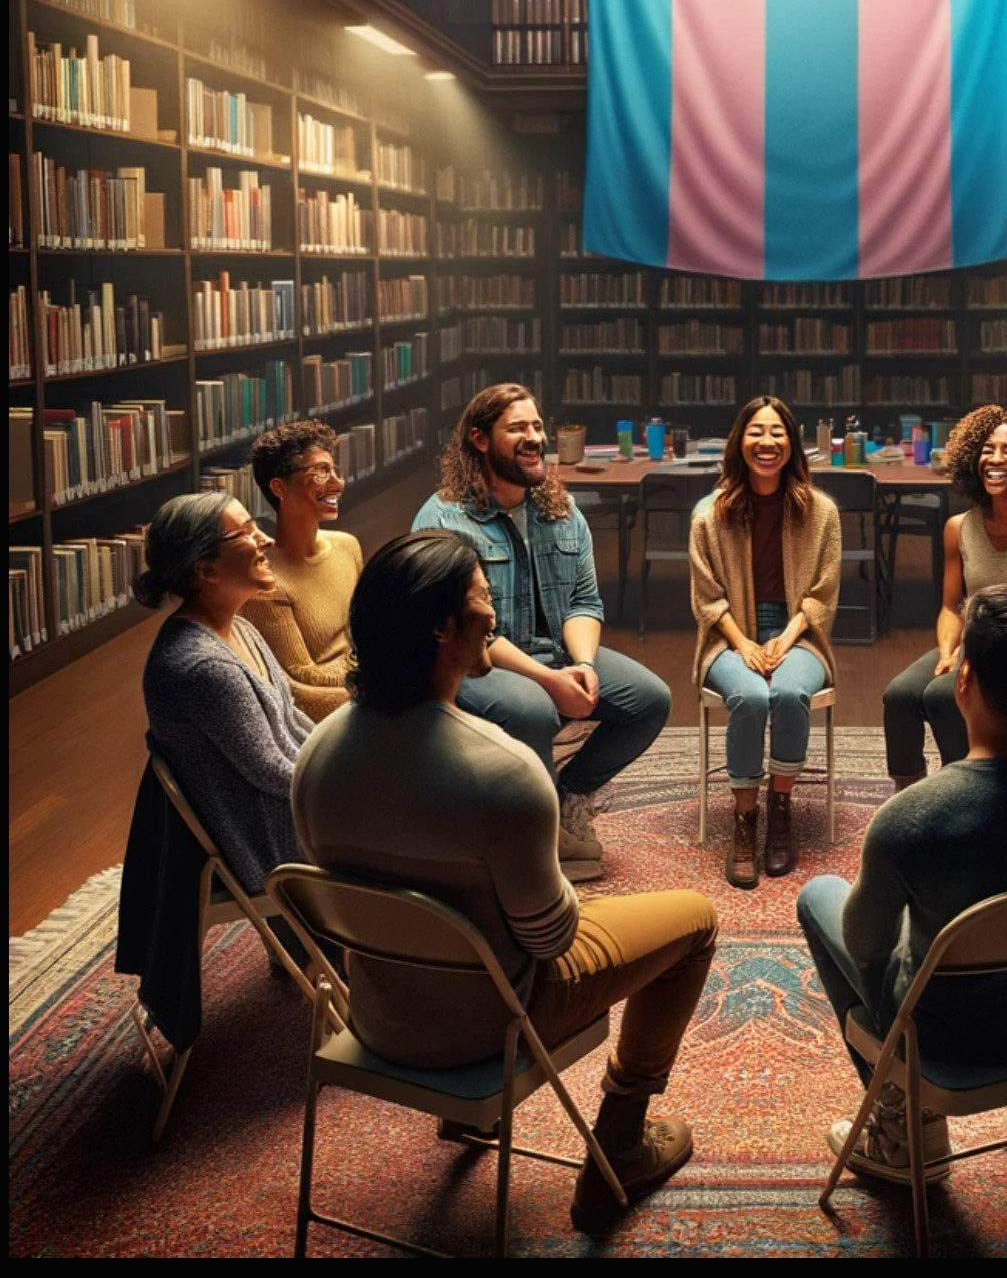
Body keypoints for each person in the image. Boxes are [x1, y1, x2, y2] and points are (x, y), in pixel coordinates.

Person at [292, 531, 717, 1229]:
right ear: (441, 627)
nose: (496, 613)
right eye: (483, 596)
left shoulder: (319, 752)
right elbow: (551, 939)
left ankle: (466, 1123)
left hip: (376, 1015)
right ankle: (622, 1143)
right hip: (492, 1026)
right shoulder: (504, 771)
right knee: (694, 919)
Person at [798, 585, 1007, 1184]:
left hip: (948, 1037)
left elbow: (866, 949)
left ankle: (898, 1117)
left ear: (962, 678)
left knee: (819, 894)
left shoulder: (913, 816)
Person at [412, 384, 671, 882]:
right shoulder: (444, 518)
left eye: (537, 427)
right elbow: (469, 634)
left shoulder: (562, 512)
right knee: (530, 709)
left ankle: (568, 799)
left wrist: (583, 667)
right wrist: (549, 682)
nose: (534, 438)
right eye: (517, 428)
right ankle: (536, 840)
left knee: (650, 699)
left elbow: (583, 602)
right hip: (472, 662)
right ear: (479, 439)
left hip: (552, 653)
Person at [881, 405, 1007, 790]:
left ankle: (971, 794)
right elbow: (950, 607)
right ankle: (909, 796)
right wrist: (946, 652)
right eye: (988, 449)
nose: (995, 459)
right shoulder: (958, 528)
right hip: (974, 642)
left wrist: (969, 656)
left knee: (942, 695)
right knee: (900, 696)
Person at [690, 395, 841, 888]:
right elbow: (707, 600)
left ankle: (780, 810)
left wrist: (789, 634)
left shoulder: (821, 512)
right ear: (740, 443)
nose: (767, 442)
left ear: (792, 444)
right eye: (756, 432)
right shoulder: (709, 515)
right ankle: (744, 821)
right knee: (752, 695)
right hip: (728, 635)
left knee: (790, 692)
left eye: (777, 433)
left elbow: (823, 594)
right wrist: (743, 643)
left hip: (800, 632)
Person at [137, 491, 312, 894]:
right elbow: (271, 773)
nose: (265, 539)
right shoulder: (203, 667)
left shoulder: (239, 627)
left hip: (289, 815)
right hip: (274, 841)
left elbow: (293, 720)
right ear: (207, 570)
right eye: (247, 532)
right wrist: (351, 785)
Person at [241, 420, 362, 720]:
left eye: (335, 470)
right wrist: (376, 670)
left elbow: (369, 627)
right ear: (279, 487)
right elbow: (302, 683)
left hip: (362, 691)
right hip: (329, 719)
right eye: (321, 472)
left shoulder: (348, 546)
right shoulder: (265, 582)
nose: (337, 483)